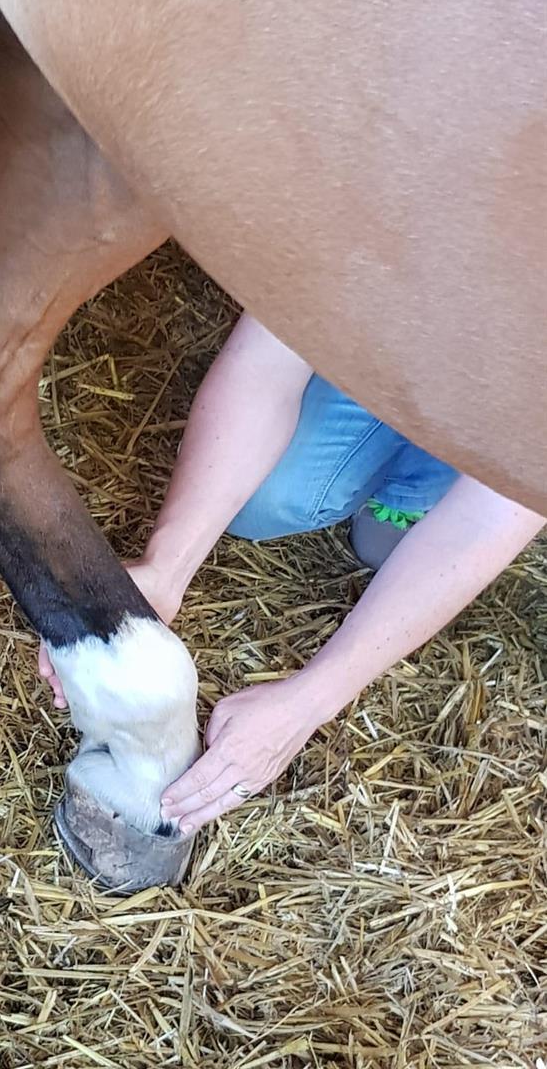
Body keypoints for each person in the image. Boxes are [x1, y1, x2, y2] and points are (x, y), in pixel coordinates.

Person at [39, 315, 544, 834]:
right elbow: (265, 359)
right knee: (263, 502)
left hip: (517, 403)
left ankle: (420, 484)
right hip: (412, 337)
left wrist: (308, 703)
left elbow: (494, 513)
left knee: (384, 545)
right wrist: (167, 566)